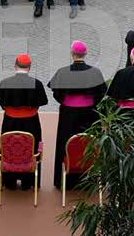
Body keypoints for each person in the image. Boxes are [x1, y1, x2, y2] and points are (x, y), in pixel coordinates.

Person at [48, 41, 107, 188]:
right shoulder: (95, 72)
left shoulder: (62, 72)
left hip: (68, 114)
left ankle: (66, 181)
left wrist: (67, 101)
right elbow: (101, 94)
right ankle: (89, 180)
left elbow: (57, 93)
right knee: (89, 143)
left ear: (72, 54)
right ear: (85, 54)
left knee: (66, 144)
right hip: (90, 114)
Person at [0, 54, 48, 190]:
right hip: (31, 123)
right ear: (30, 67)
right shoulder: (37, 84)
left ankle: (9, 182)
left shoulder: (5, 82)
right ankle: (27, 182)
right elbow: (41, 102)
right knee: (30, 149)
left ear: (15, 65)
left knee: (10, 148)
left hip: (10, 122)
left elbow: (1, 102)